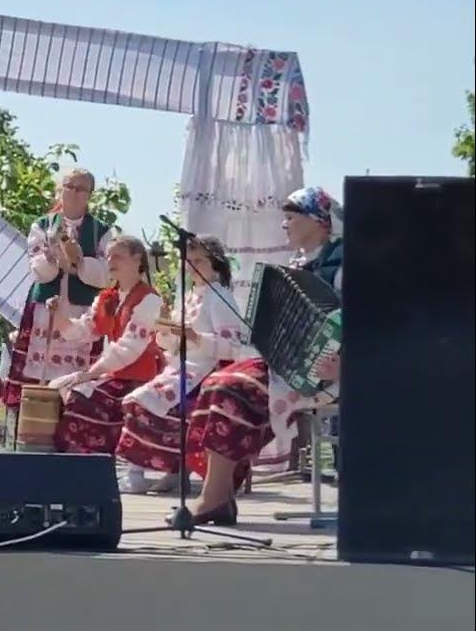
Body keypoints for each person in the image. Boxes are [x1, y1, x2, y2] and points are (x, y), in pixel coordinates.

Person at [183, 187, 344, 526]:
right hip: (286, 368)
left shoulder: (344, 266)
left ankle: (214, 499)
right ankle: (219, 494)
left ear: (318, 221)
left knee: (231, 387)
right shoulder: (299, 265)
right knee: (215, 383)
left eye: (291, 217)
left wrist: (344, 362)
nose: (284, 224)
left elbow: (369, 322)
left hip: (329, 374)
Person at [114, 235, 245, 493]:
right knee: (138, 400)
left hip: (207, 373)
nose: (193, 266)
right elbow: (171, 344)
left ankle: (147, 474)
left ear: (215, 263)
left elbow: (232, 346)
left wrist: (195, 337)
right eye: (189, 260)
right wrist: (165, 328)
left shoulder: (220, 296)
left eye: (200, 261)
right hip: (182, 368)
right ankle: (171, 471)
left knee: (142, 400)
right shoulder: (190, 296)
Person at [0, 169, 113, 408]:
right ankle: (34, 419)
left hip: (81, 309)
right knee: (38, 370)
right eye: (69, 186)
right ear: (60, 190)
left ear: (90, 195)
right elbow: (37, 269)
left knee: (76, 373)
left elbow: (105, 275)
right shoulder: (42, 225)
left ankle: (68, 417)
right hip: (45, 308)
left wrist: (79, 261)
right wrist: (53, 257)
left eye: (80, 189)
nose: (73, 192)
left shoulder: (102, 231)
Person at [48, 236, 163, 455]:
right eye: (109, 256)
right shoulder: (108, 298)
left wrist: (90, 374)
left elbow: (129, 349)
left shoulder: (149, 299)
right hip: (112, 375)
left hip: (136, 378)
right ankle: (64, 460)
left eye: (118, 256)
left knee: (80, 395)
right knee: (54, 388)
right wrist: (59, 316)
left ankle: (88, 461)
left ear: (137, 259)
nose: (110, 261)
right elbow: (82, 331)